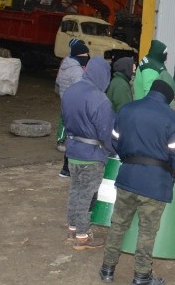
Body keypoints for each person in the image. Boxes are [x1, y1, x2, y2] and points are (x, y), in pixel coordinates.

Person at [99, 79, 175, 285]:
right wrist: (170, 174)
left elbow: (115, 140)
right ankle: (141, 276)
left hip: (127, 177)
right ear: (167, 98)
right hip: (155, 184)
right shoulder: (173, 119)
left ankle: (107, 269)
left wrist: (128, 160)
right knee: (147, 231)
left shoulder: (127, 109)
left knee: (118, 224)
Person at [62, 57, 117, 250]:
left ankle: (72, 229)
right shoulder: (100, 99)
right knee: (86, 195)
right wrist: (115, 150)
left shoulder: (71, 91)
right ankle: (82, 236)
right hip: (91, 155)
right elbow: (106, 133)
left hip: (73, 150)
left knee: (75, 192)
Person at [55, 39, 90, 177]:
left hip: (66, 100)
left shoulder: (66, 64)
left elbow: (58, 83)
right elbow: (81, 89)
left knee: (68, 128)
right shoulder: (76, 70)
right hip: (75, 104)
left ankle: (66, 169)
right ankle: (67, 168)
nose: (87, 57)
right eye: (86, 54)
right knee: (76, 136)